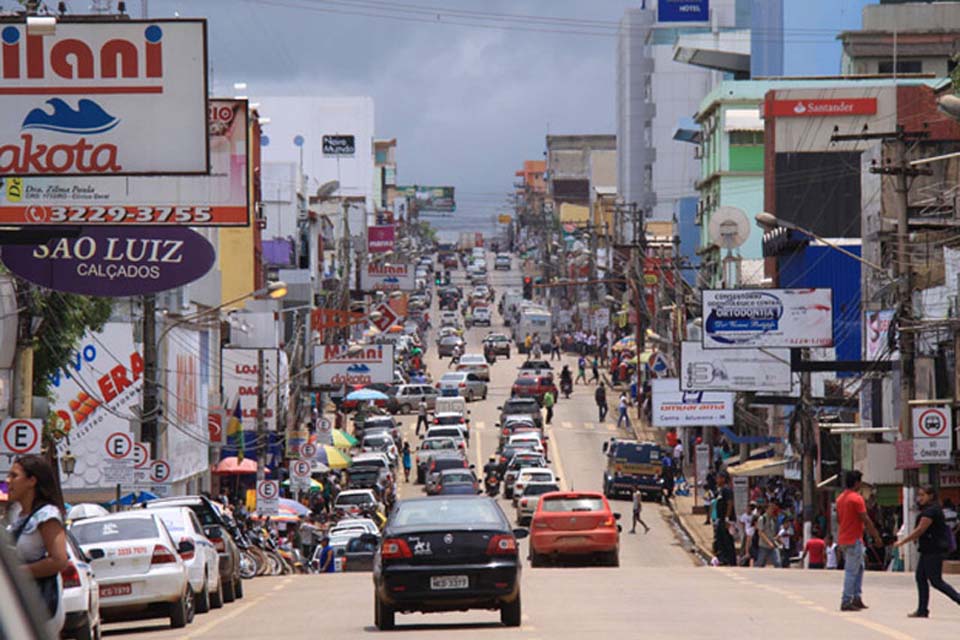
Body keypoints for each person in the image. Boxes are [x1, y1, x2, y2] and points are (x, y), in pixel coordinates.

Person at [6, 455, 69, 636]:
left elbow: (59, 560)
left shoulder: (46, 515)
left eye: (14, 476)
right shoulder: (18, 515)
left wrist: (17, 573)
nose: (8, 481)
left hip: (39, 604)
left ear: (32, 481)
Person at [893, 485, 960, 618]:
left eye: (923, 495)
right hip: (927, 550)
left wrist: (903, 541)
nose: (920, 498)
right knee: (920, 577)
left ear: (931, 496)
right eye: (919, 495)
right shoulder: (929, 509)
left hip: (933, 550)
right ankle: (922, 609)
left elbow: (920, 530)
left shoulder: (932, 511)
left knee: (936, 581)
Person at [837, 470, 882, 612]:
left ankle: (856, 597)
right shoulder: (856, 498)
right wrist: (876, 536)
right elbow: (866, 519)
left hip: (845, 538)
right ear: (856, 483)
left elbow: (840, 519)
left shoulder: (840, 498)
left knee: (860, 568)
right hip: (853, 539)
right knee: (851, 571)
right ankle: (846, 600)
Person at [713, 471, 737, 566]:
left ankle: (731, 561)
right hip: (720, 519)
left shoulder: (727, 490)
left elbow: (730, 503)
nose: (717, 480)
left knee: (727, 540)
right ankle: (723, 559)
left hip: (726, 520)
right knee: (720, 539)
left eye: (718, 478)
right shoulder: (720, 490)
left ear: (723, 479)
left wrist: (727, 518)